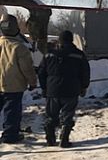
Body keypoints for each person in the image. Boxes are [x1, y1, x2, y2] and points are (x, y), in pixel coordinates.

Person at [38, 30, 90, 148]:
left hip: (53, 90)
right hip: (71, 90)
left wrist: (44, 87)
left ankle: (50, 139)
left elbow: (41, 72)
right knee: (67, 114)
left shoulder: (49, 54)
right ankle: (64, 139)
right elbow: (85, 72)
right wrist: (84, 86)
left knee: (51, 115)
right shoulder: (79, 54)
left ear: (59, 40)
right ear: (71, 40)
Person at [0, 15, 37, 144]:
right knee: (12, 111)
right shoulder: (19, 47)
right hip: (13, 86)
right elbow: (27, 69)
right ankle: (10, 135)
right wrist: (32, 82)